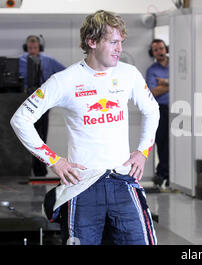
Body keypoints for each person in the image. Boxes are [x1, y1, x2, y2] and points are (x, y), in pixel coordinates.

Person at [10, 10, 160, 245]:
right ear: (92, 42)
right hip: (82, 185)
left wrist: (143, 152)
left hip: (123, 180)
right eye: (113, 42)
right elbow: (20, 120)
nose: (120, 48)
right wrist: (54, 161)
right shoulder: (64, 80)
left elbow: (152, 111)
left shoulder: (129, 74)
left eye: (121, 42)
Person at [19, 35, 65, 177]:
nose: (33, 50)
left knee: (41, 135)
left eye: (35, 47)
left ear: (40, 48)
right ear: (26, 47)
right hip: (25, 102)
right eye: (30, 47)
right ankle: (27, 170)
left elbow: (64, 74)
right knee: (26, 135)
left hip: (44, 103)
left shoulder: (49, 61)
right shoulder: (20, 61)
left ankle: (40, 171)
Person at [146, 39, 169, 188]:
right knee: (161, 141)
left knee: (175, 142)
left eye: (161, 48)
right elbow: (153, 92)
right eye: (156, 50)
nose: (159, 51)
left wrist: (165, 83)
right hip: (161, 108)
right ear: (152, 53)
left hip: (178, 108)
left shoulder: (175, 66)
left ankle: (171, 172)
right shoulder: (152, 70)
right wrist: (172, 84)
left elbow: (182, 83)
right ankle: (163, 172)